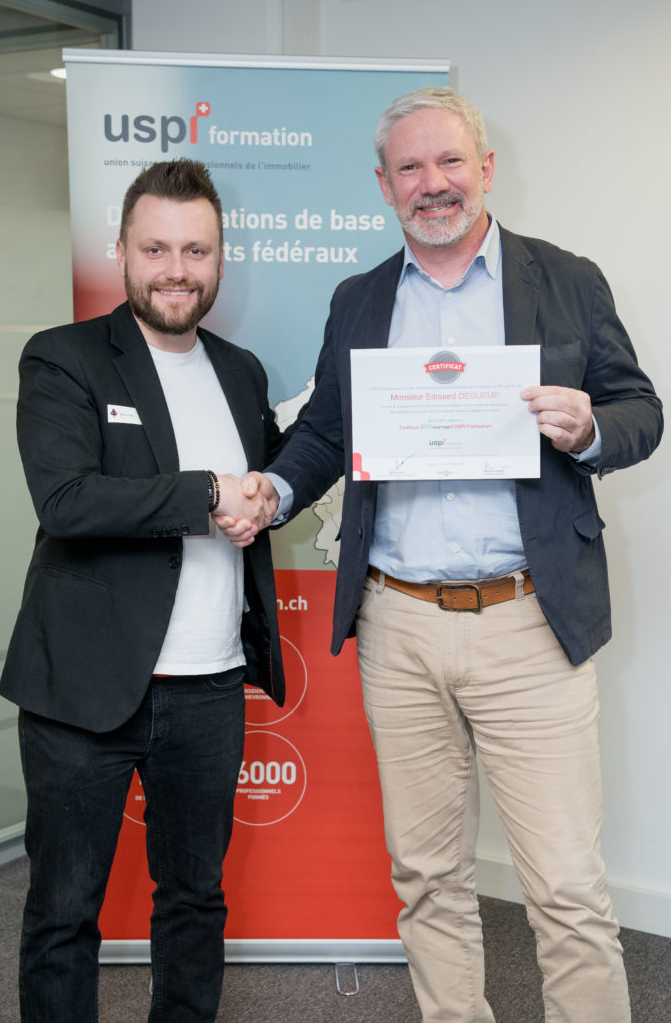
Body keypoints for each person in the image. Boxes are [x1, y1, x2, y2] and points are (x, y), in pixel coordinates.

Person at [220, 89, 663, 1022]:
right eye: (410, 168)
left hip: (528, 622)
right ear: (383, 185)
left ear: (485, 168)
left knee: (566, 889)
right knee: (426, 877)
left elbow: (640, 410)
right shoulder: (359, 298)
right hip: (399, 627)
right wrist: (275, 491)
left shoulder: (565, 279)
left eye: (450, 161)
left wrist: (589, 427)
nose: (433, 183)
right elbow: (326, 433)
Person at [0, 158, 284, 1023]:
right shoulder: (65, 357)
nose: (176, 270)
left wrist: (267, 496)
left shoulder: (242, 372)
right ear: (121, 251)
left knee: (195, 899)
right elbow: (67, 500)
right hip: (83, 688)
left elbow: (264, 488)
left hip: (209, 688)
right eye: (156, 248)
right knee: (64, 910)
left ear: (220, 259)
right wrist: (210, 493)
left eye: (196, 250)